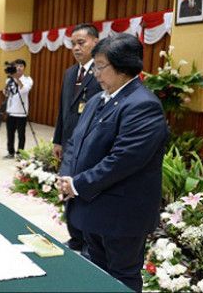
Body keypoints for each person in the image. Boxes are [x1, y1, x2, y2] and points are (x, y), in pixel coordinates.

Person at [57, 34, 168, 292]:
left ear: (123, 65)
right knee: (95, 271)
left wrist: (78, 184)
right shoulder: (98, 99)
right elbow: (74, 142)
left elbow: (123, 160)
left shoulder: (143, 105)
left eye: (100, 66)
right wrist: (66, 176)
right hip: (92, 206)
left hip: (122, 213)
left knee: (121, 277)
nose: (95, 72)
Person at [52, 23, 102, 253]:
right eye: (73, 43)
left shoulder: (100, 75)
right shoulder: (70, 72)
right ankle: (75, 237)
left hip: (89, 145)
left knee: (83, 190)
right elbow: (64, 110)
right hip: (70, 145)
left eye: (81, 43)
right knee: (67, 188)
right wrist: (58, 139)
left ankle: (87, 241)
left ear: (95, 42)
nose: (76, 48)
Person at [3, 59, 33, 159]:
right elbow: (7, 93)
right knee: (10, 134)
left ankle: (20, 153)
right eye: (17, 66)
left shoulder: (28, 79)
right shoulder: (9, 80)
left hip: (22, 112)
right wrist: (5, 89)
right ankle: (10, 152)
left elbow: (24, 90)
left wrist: (17, 79)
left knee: (21, 135)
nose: (19, 68)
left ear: (24, 68)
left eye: (21, 66)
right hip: (11, 111)